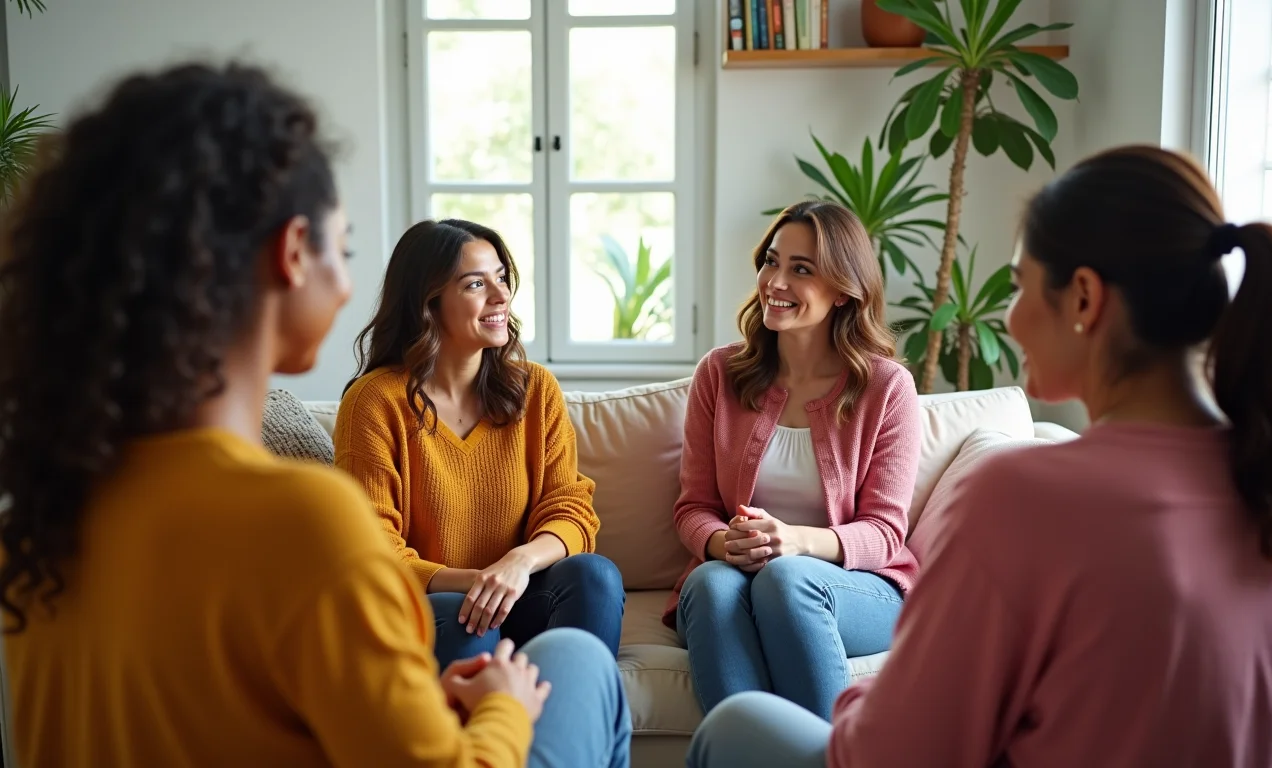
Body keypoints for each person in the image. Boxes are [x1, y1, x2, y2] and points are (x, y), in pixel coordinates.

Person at [0, 62, 630, 768]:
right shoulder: (303, 517)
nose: (349, 278)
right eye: (344, 245)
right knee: (578, 663)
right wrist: (504, 711)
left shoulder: (40, 521)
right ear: (293, 253)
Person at [687, 145, 1272, 768]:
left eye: (1020, 285)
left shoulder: (1019, 493)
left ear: (1083, 298)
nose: (1011, 319)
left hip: (859, 662)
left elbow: (900, 745)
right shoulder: (1259, 483)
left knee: (733, 727)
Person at [666, 200, 921, 720]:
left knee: (788, 578)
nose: (775, 282)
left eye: (800, 270)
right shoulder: (720, 373)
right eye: (771, 261)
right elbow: (693, 507)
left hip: (857, 590)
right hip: (737, 575)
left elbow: (886, 532)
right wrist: (722, 542)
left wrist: (797, 543)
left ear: (845, 290)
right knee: (710, 585)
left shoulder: (886, 387)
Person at [334, 218, 625, 669]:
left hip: (521, 595)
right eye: (475, 284)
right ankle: (483, 736)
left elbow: (570, 509)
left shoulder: (535, 389)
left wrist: (517, 564)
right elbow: (371, 548)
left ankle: (577, 724)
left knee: (595, 576)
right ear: (429, 303)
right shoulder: (374, 403)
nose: (501, 295)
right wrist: (473, 582)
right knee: (464, 614)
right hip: (434, 611)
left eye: (502, 278)